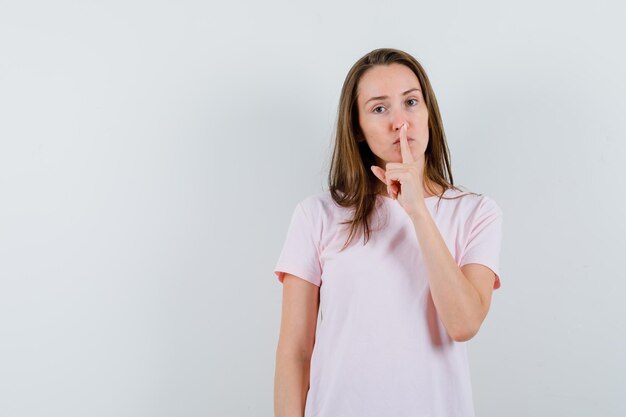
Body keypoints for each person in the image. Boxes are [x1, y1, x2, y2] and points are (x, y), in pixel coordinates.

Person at [273, 47, 503, 417]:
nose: (401, 121)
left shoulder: (476, 212)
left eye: (411, 102)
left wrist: (418, 212)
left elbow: (463, 323)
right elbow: (295, 352)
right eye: (380, 108)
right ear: (358, 130)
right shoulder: (318, 215)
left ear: (429, 112)